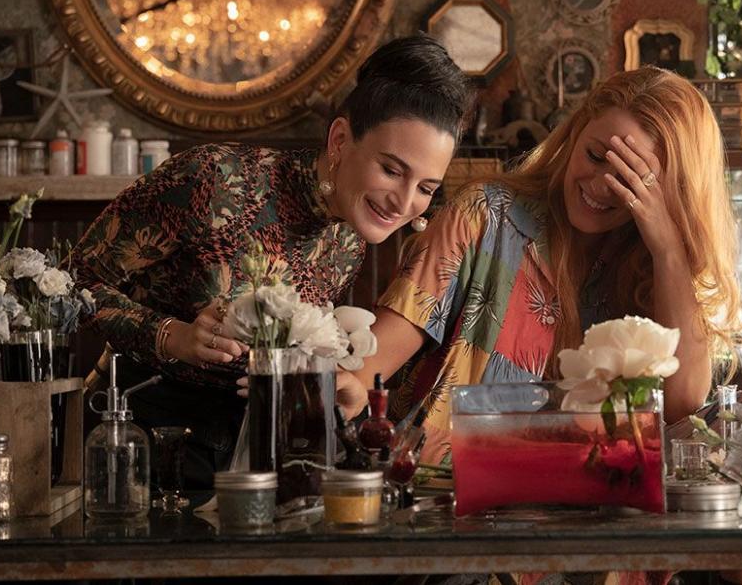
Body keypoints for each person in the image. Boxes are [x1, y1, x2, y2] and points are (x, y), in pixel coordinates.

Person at [73, 34, 475, 487]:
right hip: (137, 441)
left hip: (256, 453)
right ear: (341, 139)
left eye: (425, 188)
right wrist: (172, 336)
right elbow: (74, 282)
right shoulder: (213, 180)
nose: (403, 203)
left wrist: (334, 388)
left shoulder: (349, 236)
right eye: (392, 170)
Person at [346, 66, 742, 465]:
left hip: (589, 513)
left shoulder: (652, 272)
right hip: (450, 504)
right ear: (575, 135)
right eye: (595, 155)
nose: (599, 185)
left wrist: (669, 251)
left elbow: (682, 404)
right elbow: (371, 368)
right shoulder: (483, 217)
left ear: (670, 192)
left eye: (630, 179)